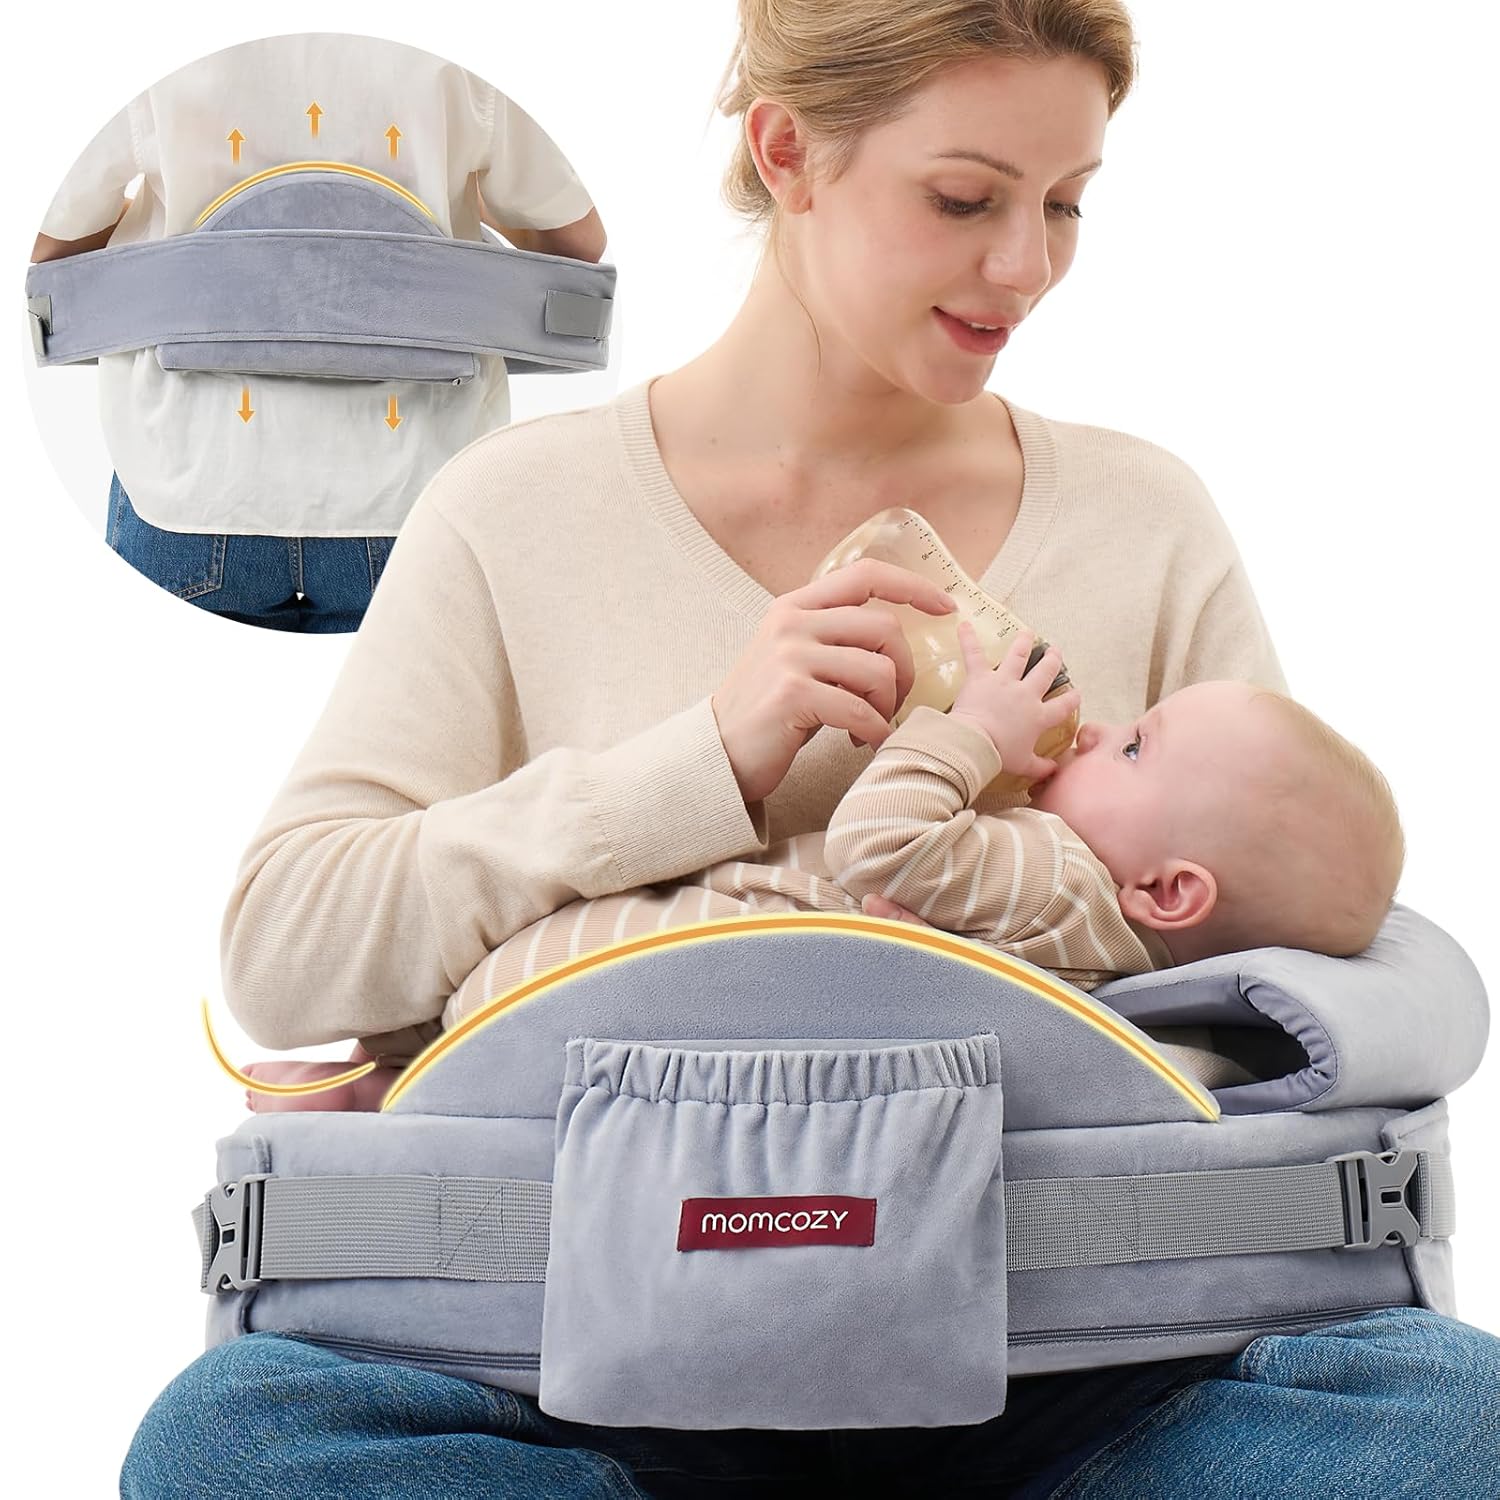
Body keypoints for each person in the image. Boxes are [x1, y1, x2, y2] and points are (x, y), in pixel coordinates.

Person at [123, 2, 1500, 1494]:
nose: (1025, 266)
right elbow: (285, 953)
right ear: (787, 152)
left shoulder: (1144, 519)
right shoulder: (512, 511)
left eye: (1065, 204)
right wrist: (701, 763)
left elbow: (1279, 965)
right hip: (572, 1363)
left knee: (1451, 1419)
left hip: (1072, 1359)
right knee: (231, 1448)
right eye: (964, 199)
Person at [241, 623, 1402, 1112]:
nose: (1100, 730)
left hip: (603, 974)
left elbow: (874, 843)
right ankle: (392, 1080)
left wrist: (971, 736)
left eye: (1136, 748)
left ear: (1171, 891)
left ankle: (394, 1076)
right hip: (589, 1021)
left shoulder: (1057, 878)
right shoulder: (1102, 942)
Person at [32, 32, 606, 632]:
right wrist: (460, 205)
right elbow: (577, 243)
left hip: (192, 477)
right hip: (415, 486)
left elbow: (53, 247)